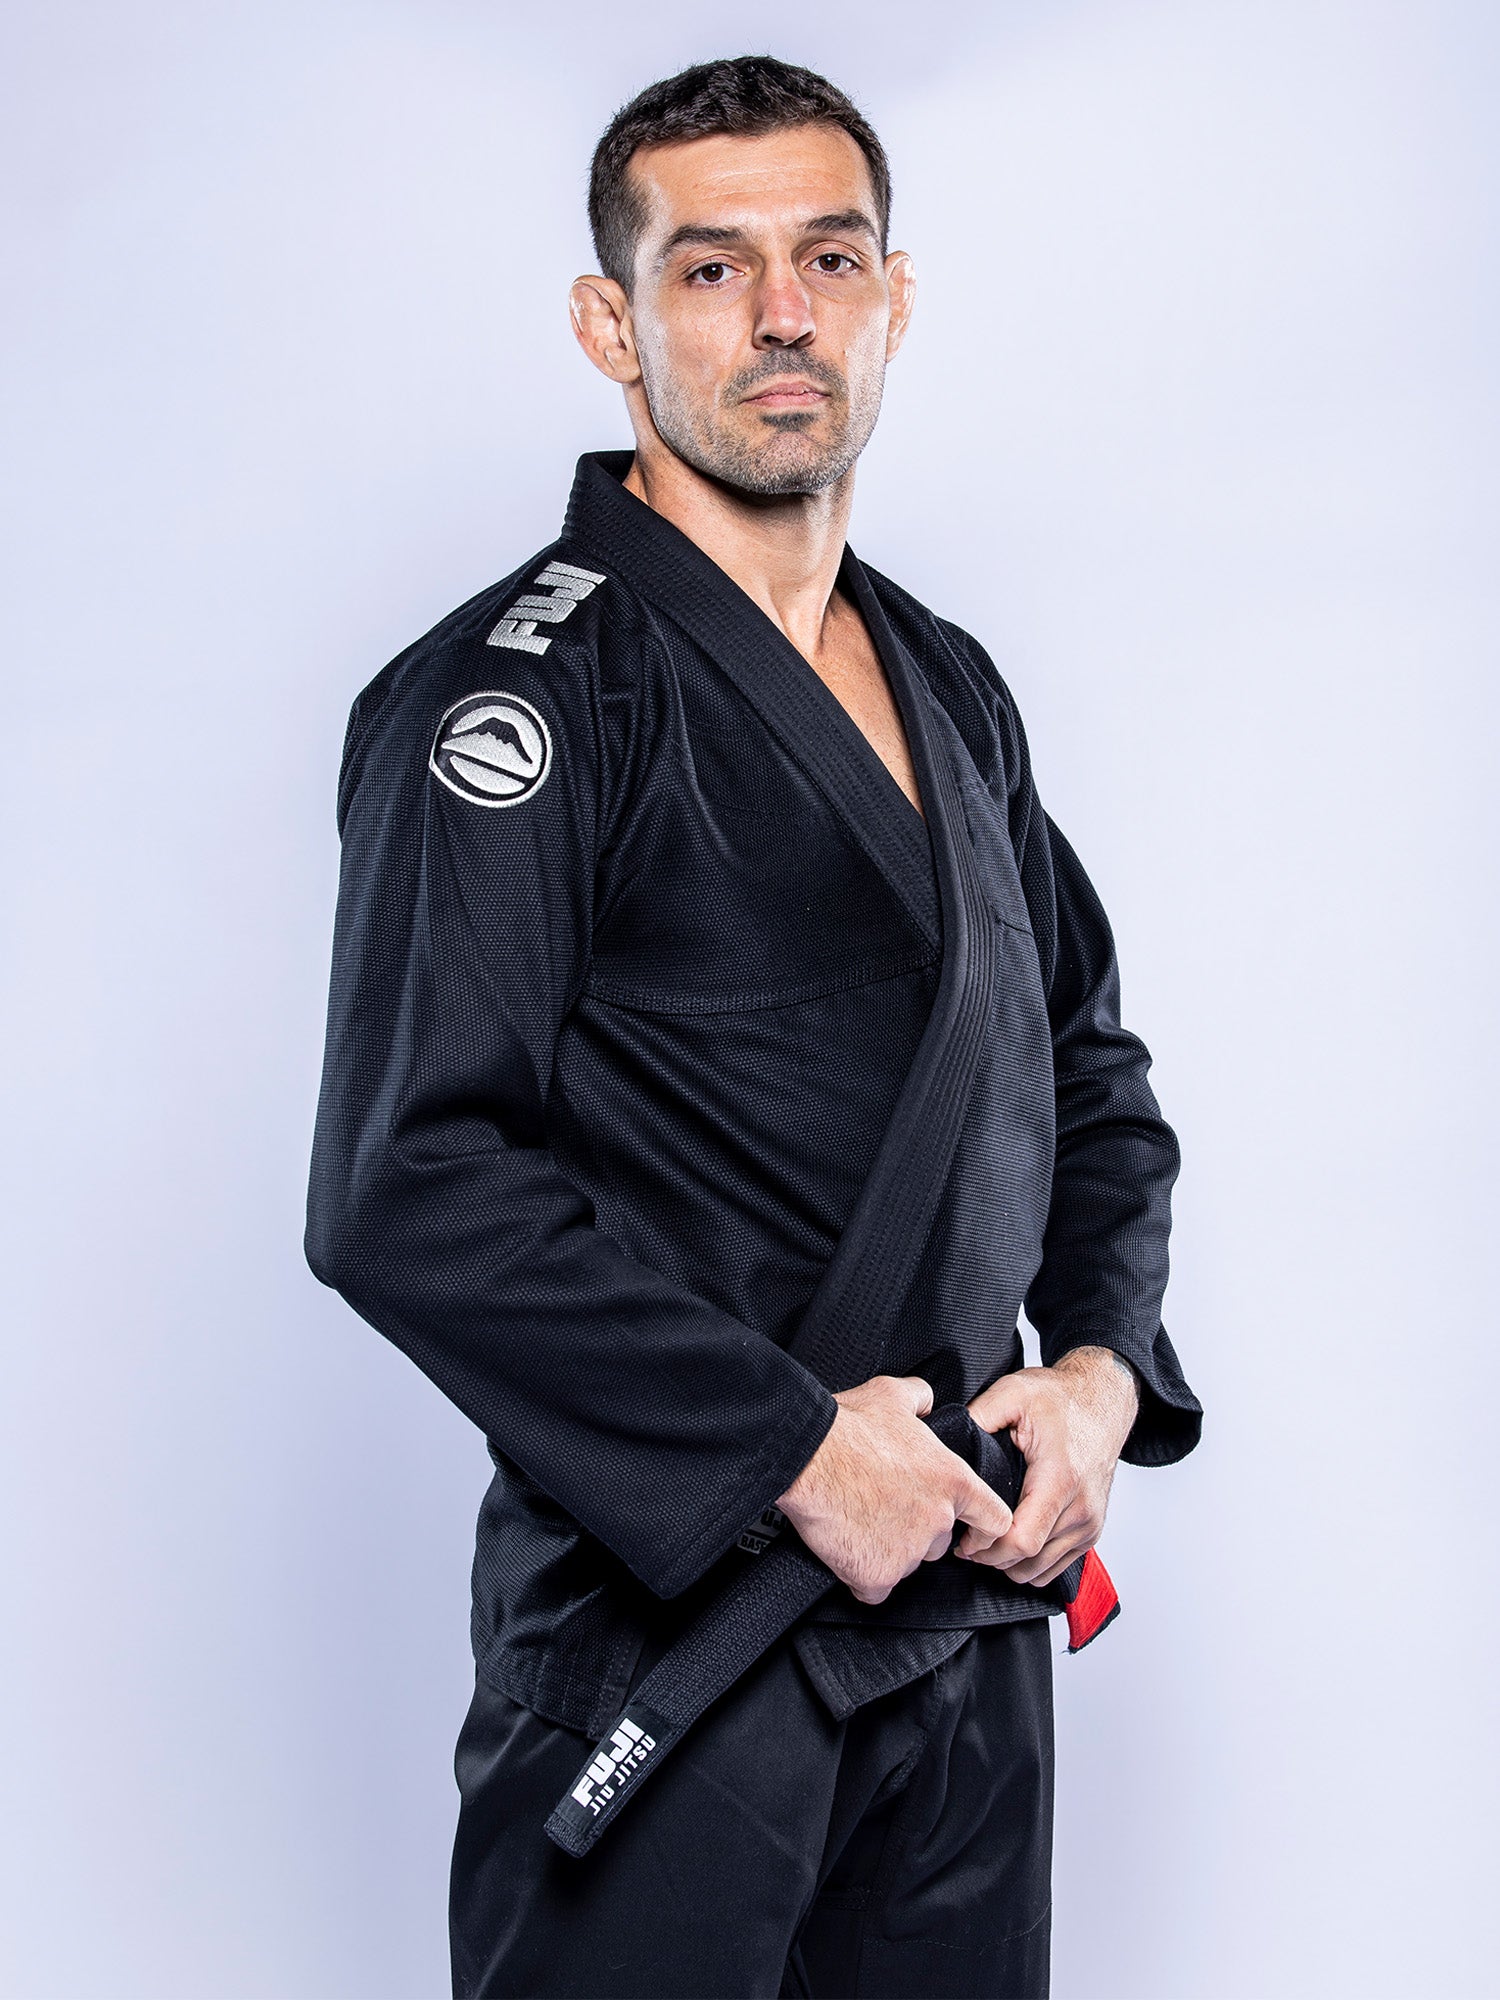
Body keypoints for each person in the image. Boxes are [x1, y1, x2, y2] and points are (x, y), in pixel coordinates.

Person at [306, 53, 1201, 2000]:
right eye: (710, 269)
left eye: (830, 258)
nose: (782, 313)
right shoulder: (518, 701)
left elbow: (1089, 1079)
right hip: (674, 1644)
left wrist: (1097, 1376)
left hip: (966, 1641)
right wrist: (793, 1448)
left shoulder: (948, 681)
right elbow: (408, 1186)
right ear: (608, 324)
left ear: (895, 298)